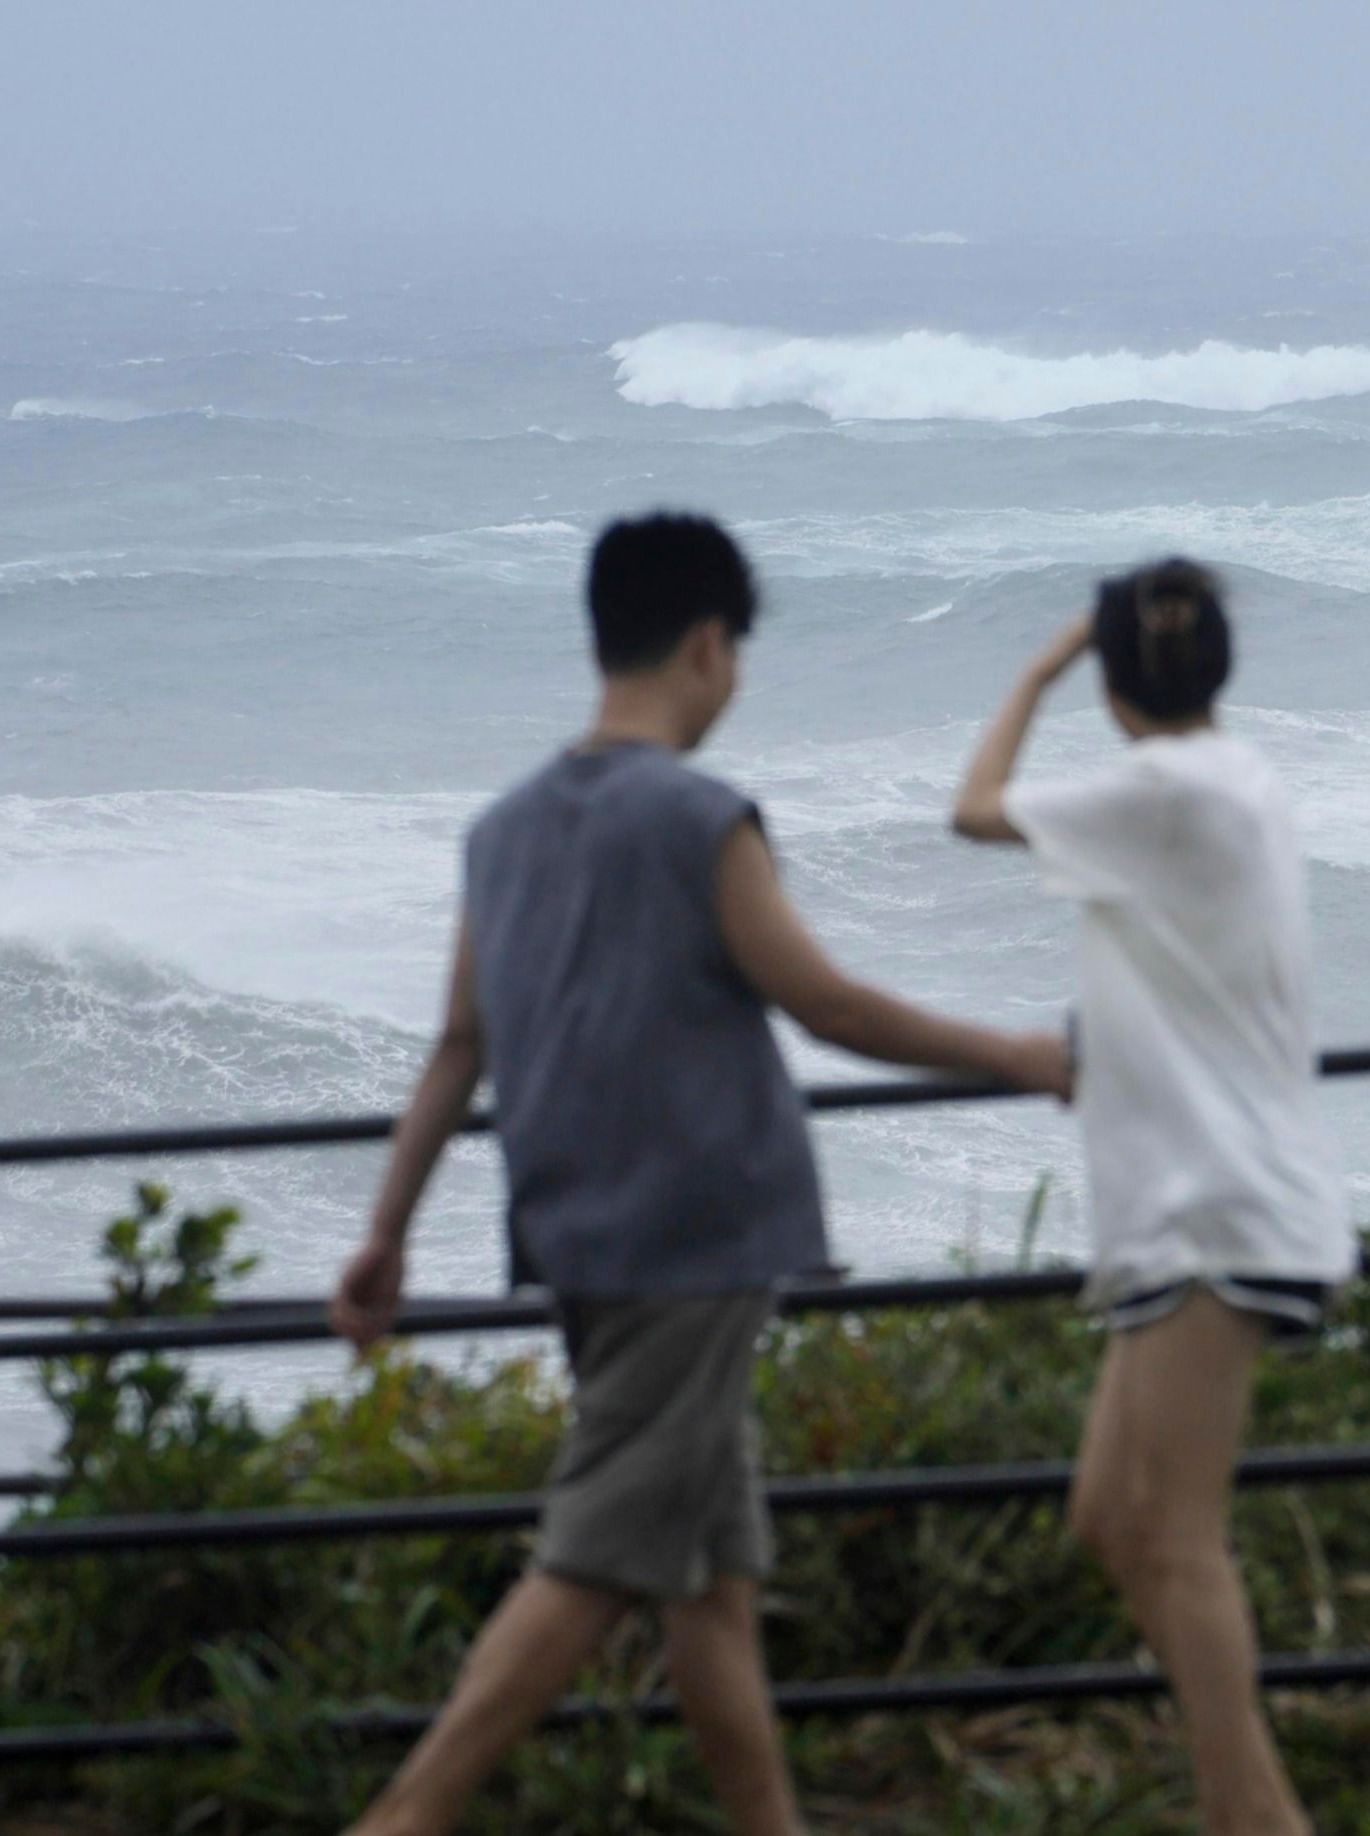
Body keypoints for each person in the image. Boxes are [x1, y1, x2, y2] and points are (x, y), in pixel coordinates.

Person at [329, 512, 1068, 1836]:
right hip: (697, 1236)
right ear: (708, 646)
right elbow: (822, 1002)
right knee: (598, 1559)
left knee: (708, 1584)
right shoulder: (700, 815)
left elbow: (454, 1050)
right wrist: (1013, 1053)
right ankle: (405, 1819)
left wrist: (385, 1234)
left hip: (574, 1231)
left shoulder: (501, 833)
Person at [950, 557, 1351, 1836]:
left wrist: (1033, 668)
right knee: (1112, 1520)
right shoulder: (1237, 778)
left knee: (1173, 1540)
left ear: (1116, 683)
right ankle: (1252, 1803)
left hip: (1211, 1206)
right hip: (1198, 1199)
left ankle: (1252, 1820)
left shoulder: (1160, 790)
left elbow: (974, 810)